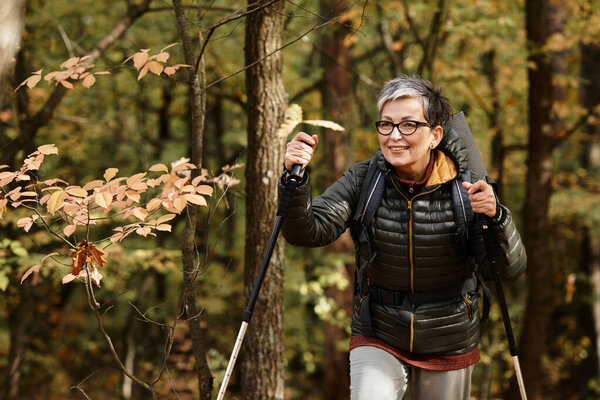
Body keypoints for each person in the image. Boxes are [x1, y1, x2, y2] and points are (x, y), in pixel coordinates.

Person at [279, 75, 526, 399]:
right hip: (379, 330)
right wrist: (294, 180)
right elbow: (307, 232)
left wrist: (497, 217)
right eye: (387, 125)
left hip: (449, 337)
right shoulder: (363, 179)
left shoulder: (470, 187)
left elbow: (506, 270)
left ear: (435, 134)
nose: (394, 136)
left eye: (408, 125)